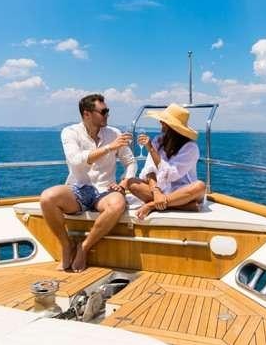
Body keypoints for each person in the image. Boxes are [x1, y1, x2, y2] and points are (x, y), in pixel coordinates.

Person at [39, 93, 136, 272]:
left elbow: (130, 162)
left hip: (105, 189)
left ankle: (84, 247)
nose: (107, 114)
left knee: (117, 205)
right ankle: (67, 246)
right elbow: (76, 160)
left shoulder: (114, 134)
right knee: (47, 198)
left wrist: (123, 183)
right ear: (87, 114)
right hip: (79, 188)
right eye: (103, 111)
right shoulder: (70, 132)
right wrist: (109, 148)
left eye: (108, 111)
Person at [122, 103, 206, 220]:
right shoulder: (158, 140)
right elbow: (149, 170)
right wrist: (156, 191)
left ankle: (153, 205)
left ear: (172, 127)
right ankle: (180, 206)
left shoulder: (190, 148)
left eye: (164, 122)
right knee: (131, 182)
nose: (160, 123)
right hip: (160, 190)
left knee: (200, 186)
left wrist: (151, 149)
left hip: (183, 192)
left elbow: (171, 175)